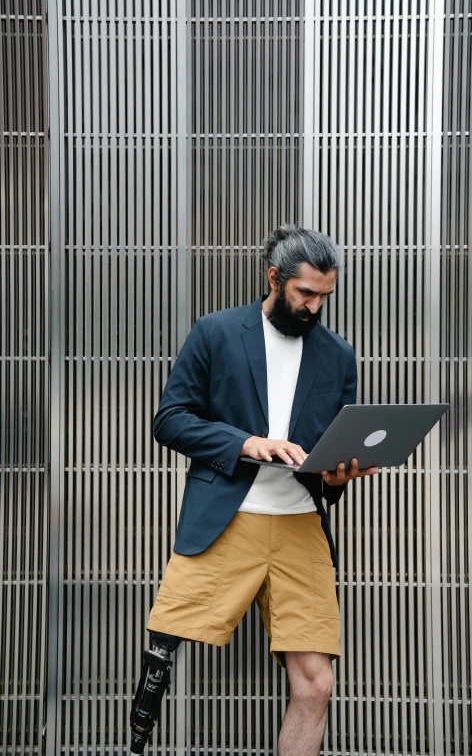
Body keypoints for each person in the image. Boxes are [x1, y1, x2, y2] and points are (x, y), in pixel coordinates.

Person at [129, 224, 379, 754]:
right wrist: (247, 443)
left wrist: (338, 473)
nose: (315, 307)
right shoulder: (216, 332)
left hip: (300, 526)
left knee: (316, 684)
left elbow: (332, 443)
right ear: (274, 278)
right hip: (227, 516)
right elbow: (169, 420)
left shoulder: (338, 354)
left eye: (325, 296)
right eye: (305, 293)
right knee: (159, 664)